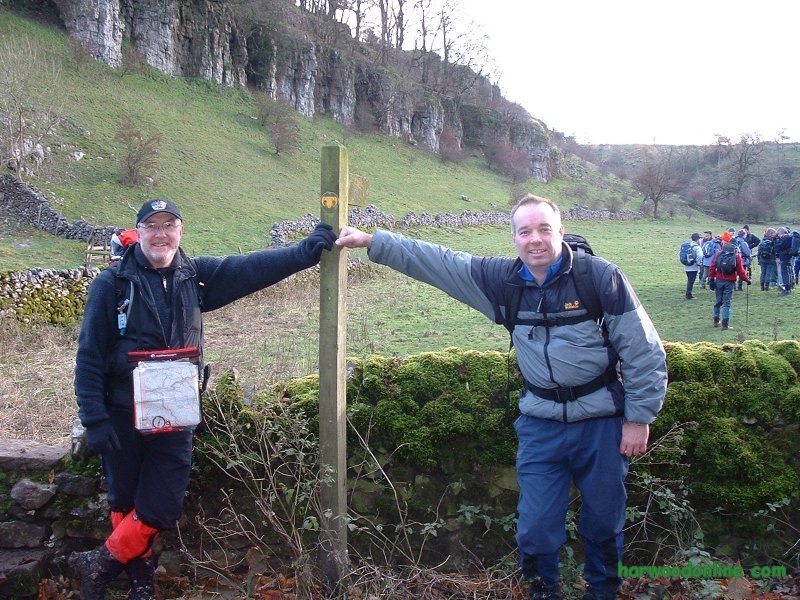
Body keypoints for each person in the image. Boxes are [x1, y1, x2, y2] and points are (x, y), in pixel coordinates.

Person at [336, 194, 667, 600]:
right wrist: (373, 241)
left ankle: (602, 592)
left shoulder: (599, 278)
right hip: (541, 425)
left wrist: (638, 418)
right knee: (536, 528)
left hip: (601, 422)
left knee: (604, 522)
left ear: (560, 232)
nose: (536, 239)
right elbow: (440, 263)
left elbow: (643, 350)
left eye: (545, 229)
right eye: (525, 231)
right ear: (513, 238)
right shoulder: (503, 283)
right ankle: (544, 592)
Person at [70, 198, 336, 599]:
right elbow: (89, 354)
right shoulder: (111, 283)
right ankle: (139, 581)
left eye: (169, 225)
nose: (161, 234)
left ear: (181, 231)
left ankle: (101, 562)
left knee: (160, 505)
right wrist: (95, 418)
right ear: (138, 232)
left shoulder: (195, 277)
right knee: (124, 499)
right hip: (121, 413)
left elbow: (251, 268)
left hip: (176, 414)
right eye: (152, 226)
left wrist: (305, 252)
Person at [708, 242, 750, 329]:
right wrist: (747, 279)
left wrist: (711, 279)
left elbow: (712, 267)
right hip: (730, 282)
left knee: (718, 301)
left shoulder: (717, 255)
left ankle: (716, 320)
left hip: (719, 280)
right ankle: (725, 324)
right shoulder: (736, 257)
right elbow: (740, 271)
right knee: (727, 302)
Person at [774, 227, 793, 296]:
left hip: (784, 257)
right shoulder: (790, 237)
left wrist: (776, 241)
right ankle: (788, 288)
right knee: (788, 272)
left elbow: (777, 248)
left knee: (784, 273)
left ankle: (787, 289)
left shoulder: (784, 238)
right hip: (788, 256)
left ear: (780, 233)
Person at [683, 233, 703, 299]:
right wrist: (699, 263)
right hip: (693, 267)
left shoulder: (687, 246)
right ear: (697, 239)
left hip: (687, 266)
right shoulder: (697, 247)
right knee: (691, 281)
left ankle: (688, 293)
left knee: (689, 280)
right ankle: (688, 295)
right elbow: (700, 256)